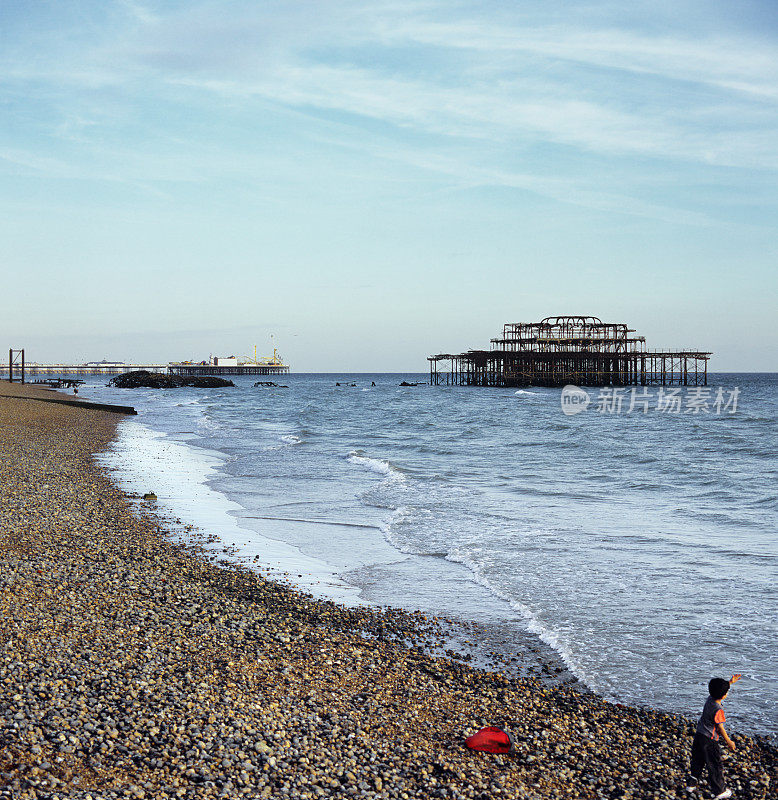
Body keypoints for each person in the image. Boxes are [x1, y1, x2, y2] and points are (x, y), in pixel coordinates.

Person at [687, 674, 741, 798]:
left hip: (699, 734)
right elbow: (720, 728)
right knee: (715, 765)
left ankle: (691, 785)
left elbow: (718, 691)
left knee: (697, 761)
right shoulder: (718, 710)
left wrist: (730, 682)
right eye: (726, 691)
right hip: (709, 740)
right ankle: (719, 791)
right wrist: (729, 741)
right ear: (724, 695)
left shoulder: (709, 699)